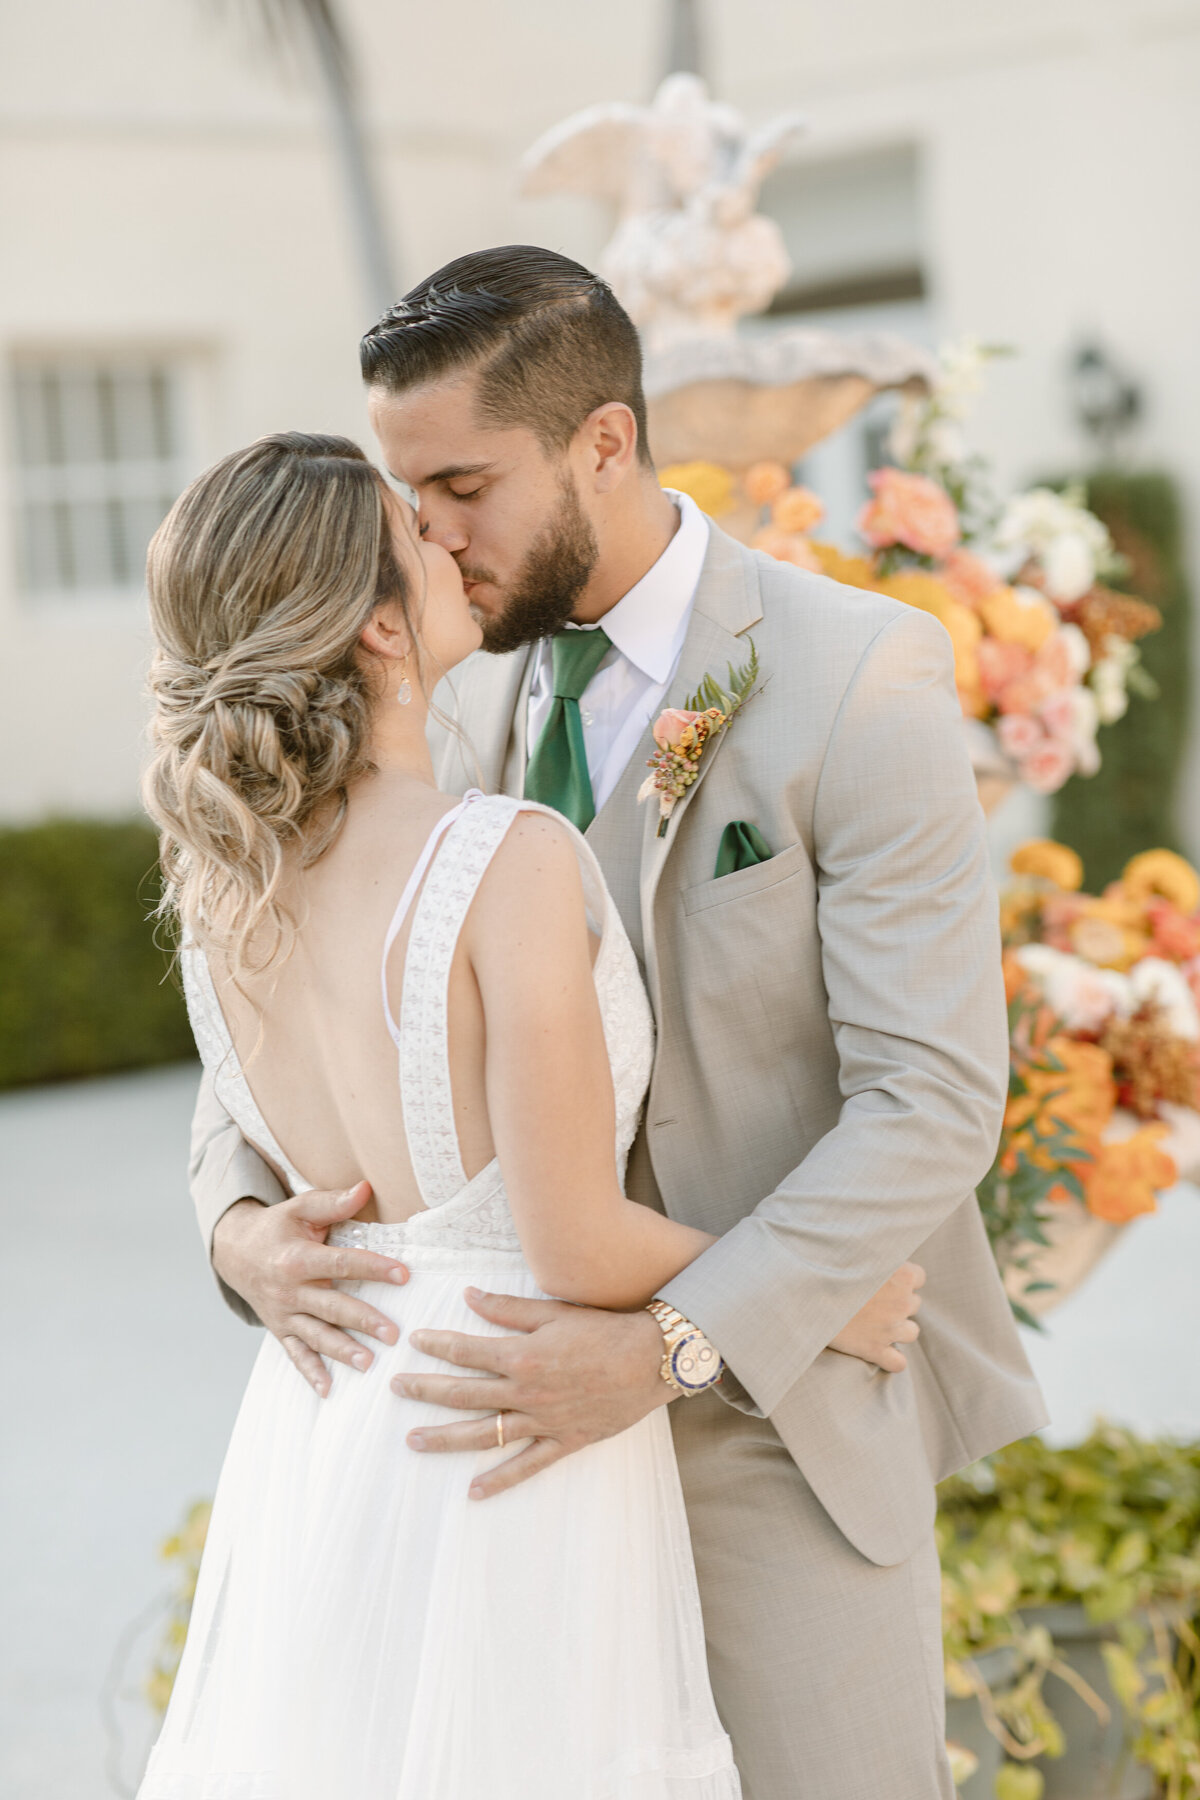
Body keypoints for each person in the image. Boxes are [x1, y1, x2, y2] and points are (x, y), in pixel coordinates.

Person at [191, 249, 1048, 1800]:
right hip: (507, 1465)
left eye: (460, 482)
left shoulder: (856, 677)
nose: (428, 538)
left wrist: (671, 1346)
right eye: (405, 490)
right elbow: (264, 1024)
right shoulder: (440, 688)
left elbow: (933, 1100)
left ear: (603, 441)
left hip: (769, 1438)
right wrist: (241, 1236)